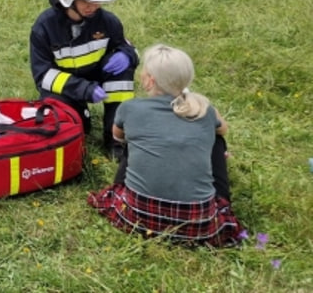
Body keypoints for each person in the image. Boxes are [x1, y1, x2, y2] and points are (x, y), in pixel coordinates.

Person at [87, 44, 243, 247]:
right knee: (217, 142)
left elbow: (117, 136)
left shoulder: (129, 108)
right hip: (198, 224)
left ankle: (121, 186)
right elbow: (223, 130)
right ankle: (222, 203)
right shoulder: (204, 110)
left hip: (137, 216)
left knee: (131, 140)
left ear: (150, 80)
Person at [29, 0, 137, 157]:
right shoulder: (44, 27)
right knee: (76, 128)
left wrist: (127, 55)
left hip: (96, 75)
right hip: (64, 87)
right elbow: (43, 76)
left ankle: (116, 140)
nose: (94, 7)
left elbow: (125, 45)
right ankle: (81, 120)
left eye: (98, 2)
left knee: (123, 70)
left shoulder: (108, 22)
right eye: (88, 2)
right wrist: (83, 89)